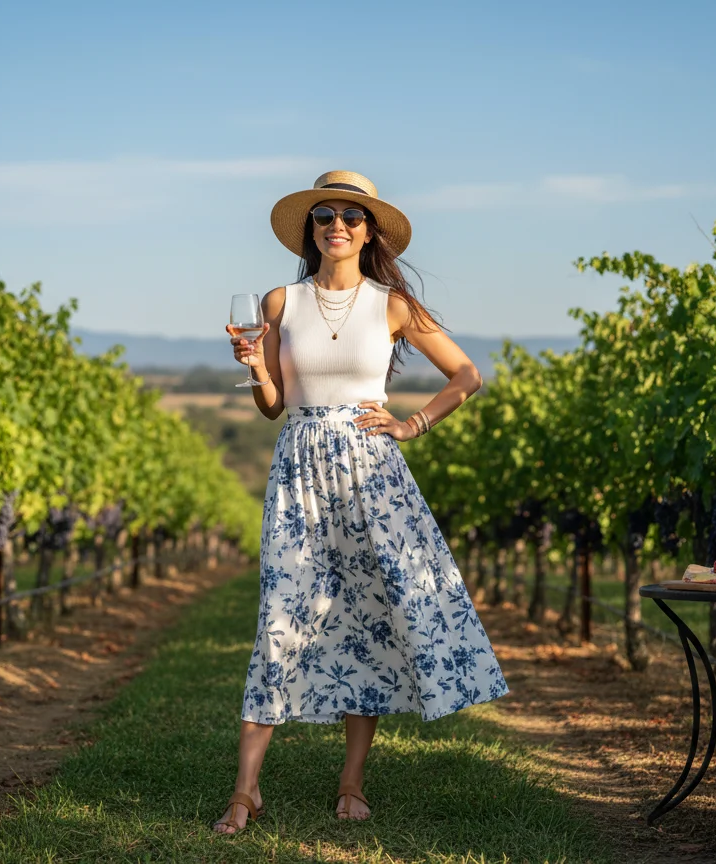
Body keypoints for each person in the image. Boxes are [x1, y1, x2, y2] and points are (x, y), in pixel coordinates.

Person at [214, 170, 509, 835]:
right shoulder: (280, 302)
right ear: (310, 229)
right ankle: (245, 790)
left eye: (351, 216)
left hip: (372, 471)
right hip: (300, 472)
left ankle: (351, 784)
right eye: (324, 215)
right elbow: (272, 407)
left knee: (368, 619)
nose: (337, 225)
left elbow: (467, 374)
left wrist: (413, 423)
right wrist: (256, 366)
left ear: (369, 231)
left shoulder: (393, 304)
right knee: (282, 618)